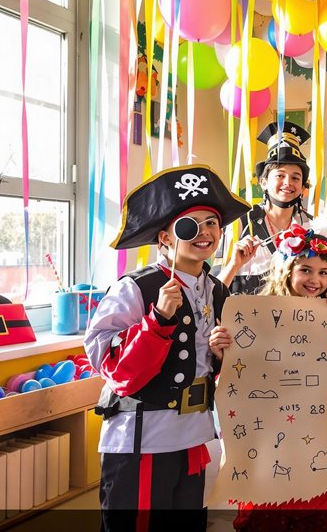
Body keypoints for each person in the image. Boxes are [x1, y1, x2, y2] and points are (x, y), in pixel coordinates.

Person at [86, 165, 250, 532]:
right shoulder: (135, 288)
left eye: (212, 223)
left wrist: (221, 355)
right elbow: (114, 370)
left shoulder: (218, 291)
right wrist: (158, 319)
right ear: (164, 238)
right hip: (142, 439)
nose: (205, 232)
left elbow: (209, 367)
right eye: (191, 225)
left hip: (193, 435)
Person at [208, 219, 327, 531]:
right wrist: (222, 350)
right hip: (273, 445)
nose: (315, 280)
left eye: (323, 272)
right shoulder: (258, 315)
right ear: (287, 270)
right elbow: (242, 376)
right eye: (306, 270)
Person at [217, 121, 314, 294]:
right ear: (264, 182)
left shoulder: (311, 226)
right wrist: (234, 264)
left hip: (298, 318)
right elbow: (214, 290)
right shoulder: (239, 223)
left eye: (295, 178)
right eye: (280, 175)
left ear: (302, 186)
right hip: (246, 318)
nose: (288, 183)